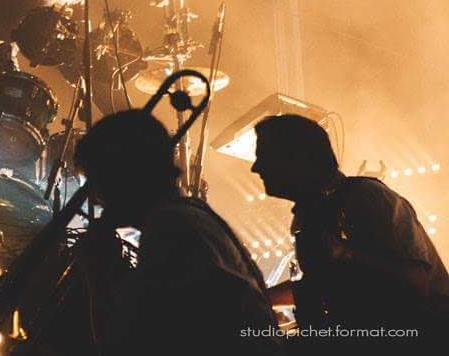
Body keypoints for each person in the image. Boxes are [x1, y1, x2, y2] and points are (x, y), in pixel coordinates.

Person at [73, 110, 282, 353]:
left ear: (122, 177)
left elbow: (128, 347)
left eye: (97, 182)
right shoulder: (191, 214)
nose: (95, 200)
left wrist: (97, 274)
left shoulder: (169, 228)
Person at [252, 114, 449, 344]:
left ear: (297, 157)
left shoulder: (368, 197)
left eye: (264, 156)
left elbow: (415, 283)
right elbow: (322, 285)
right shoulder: (312, 215)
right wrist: (259, 300)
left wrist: (346, 255)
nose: (256, 167)